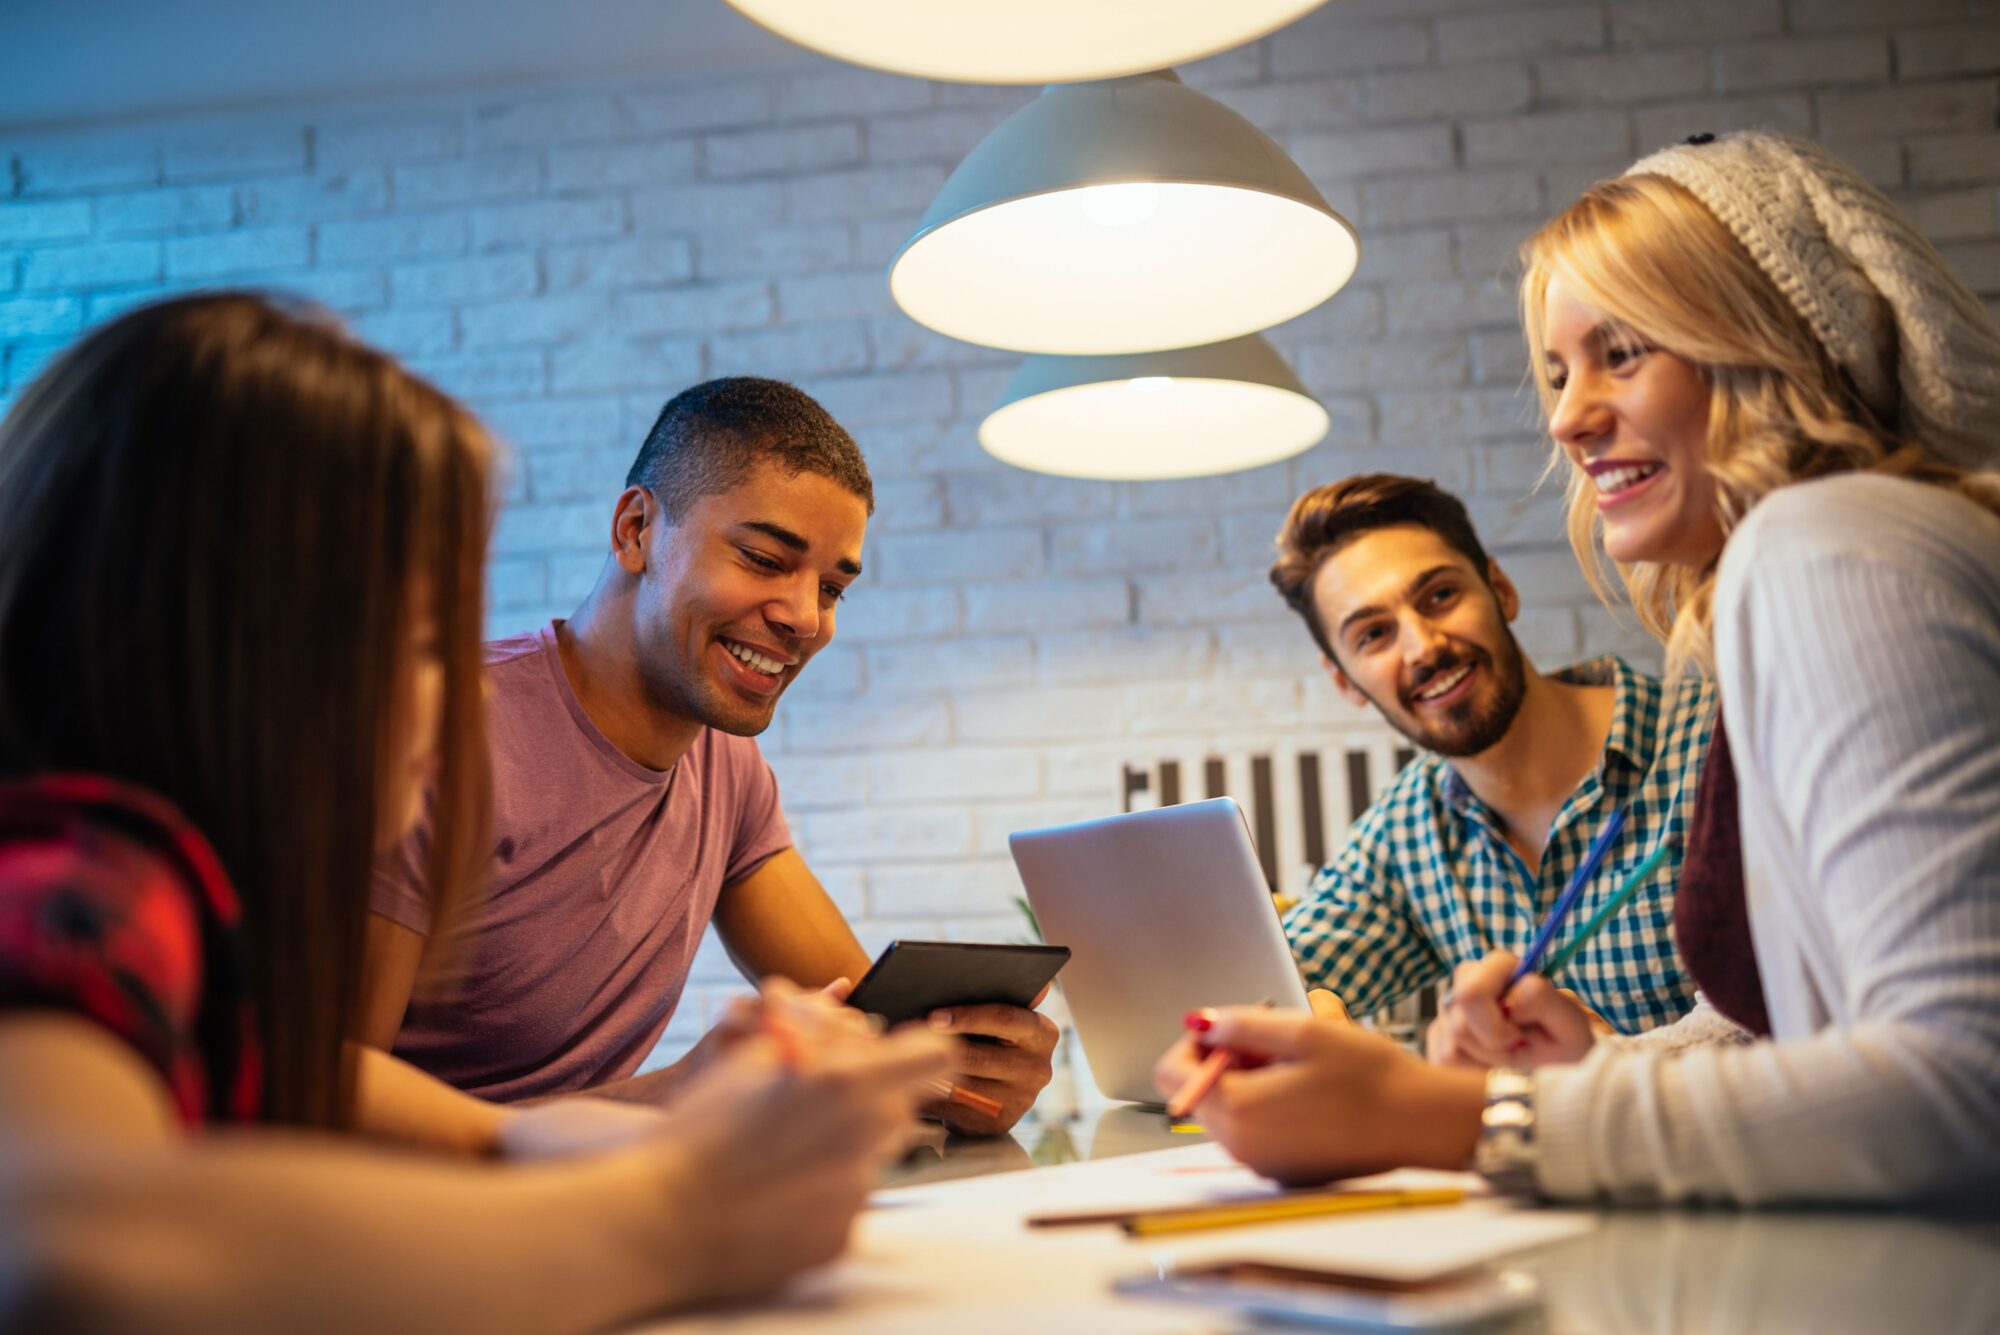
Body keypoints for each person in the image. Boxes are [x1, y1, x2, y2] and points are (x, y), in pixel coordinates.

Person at [0, 293, 950, 1331]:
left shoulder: (198, 917)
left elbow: (404, 1116)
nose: (457, 687)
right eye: (416, 639)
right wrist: (682, 1214)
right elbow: (67, 1252)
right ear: (237, 650)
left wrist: (685, 1135)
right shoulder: (73, 887)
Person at [1156, 131, 2000, 1205]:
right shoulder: (1827, 555)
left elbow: (1964, 1082)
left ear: (1755, 344)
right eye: (1557, 373)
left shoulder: (1823, 552)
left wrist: (1447, 1115)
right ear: (1342, 677)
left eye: (1622, 352)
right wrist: (1594, 1070)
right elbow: (1815, 1036)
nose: (1564, 417)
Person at [364, 378, 1055, 1135]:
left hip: (585, 1218)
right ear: (635, 531)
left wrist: (966, 1075)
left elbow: (866, 1027)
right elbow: (309, 1108)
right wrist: (687, 1092)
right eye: (763, 559)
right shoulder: (439, 736)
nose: (805, 619)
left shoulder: (725, 767)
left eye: (831, 588)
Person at [1270, 474, 1712, 1036]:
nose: (1424, 647)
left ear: (1500, 589)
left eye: (1440, 596)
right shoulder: (1410, 827)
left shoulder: (1712, 742)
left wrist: (1620, 1068)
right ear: (1346, 681)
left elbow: (1815, 1023)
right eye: (1374, 634)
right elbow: (1276, 979)